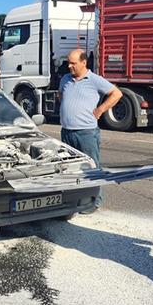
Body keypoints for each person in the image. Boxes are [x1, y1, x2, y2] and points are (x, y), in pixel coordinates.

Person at [58, 49, 123, 212]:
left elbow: (116, 93)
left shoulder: (94, 80)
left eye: (73, 63)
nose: (69, 66)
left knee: (92, 167)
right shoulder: (65, 79)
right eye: (68, 63)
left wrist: (101, 109)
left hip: (86, 133)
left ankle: (94, 202)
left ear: (83, 62)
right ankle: (75, 200)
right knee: (70, 168)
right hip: (67, 132)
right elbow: (61, 95)